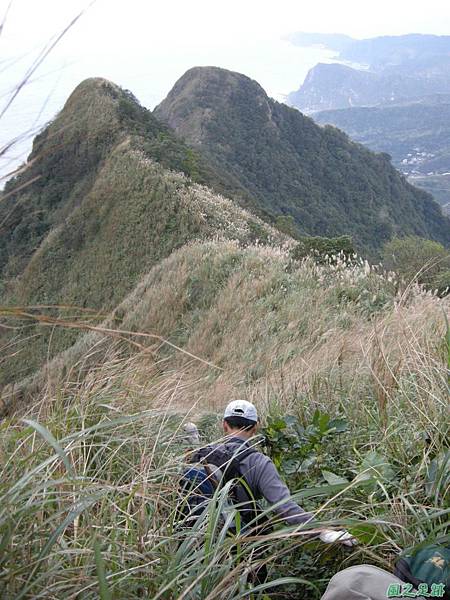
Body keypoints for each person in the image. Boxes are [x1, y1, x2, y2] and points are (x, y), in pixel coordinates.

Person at [184, 399, 356, 545]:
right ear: (256, 427)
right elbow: (285, 508)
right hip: (238, 544)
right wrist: (321, 530)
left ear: (224, 425)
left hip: (193, 540)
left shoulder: (202, 454)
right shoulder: (260, 463)